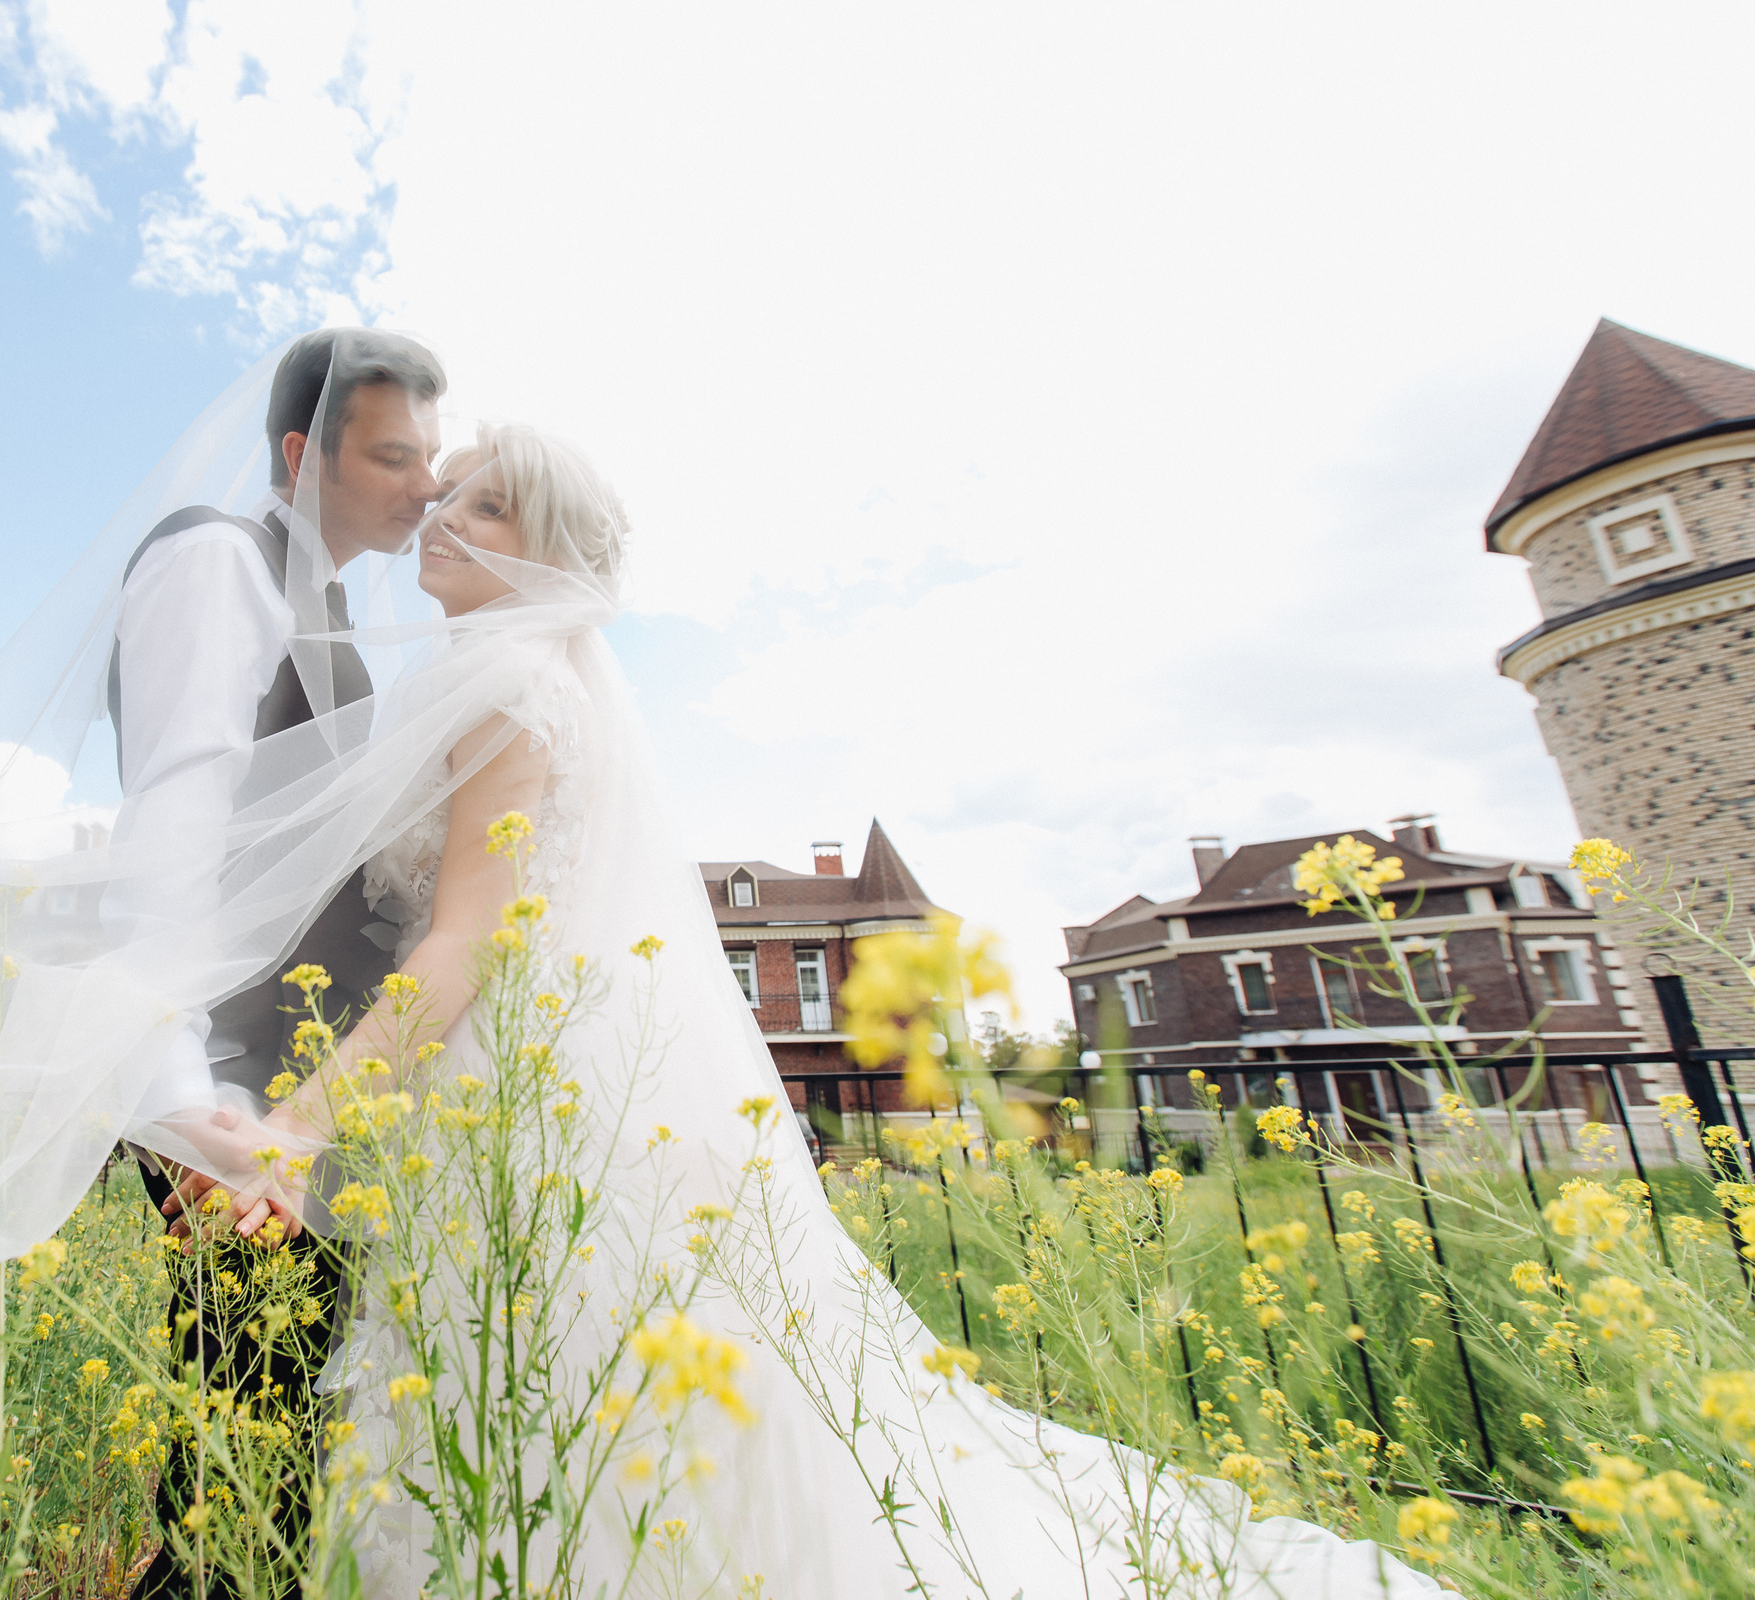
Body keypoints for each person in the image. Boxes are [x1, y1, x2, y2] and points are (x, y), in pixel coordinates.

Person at [253, 424, 1440, 1598]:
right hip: (575, 1069)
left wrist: (299, 1116)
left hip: (532, 1088)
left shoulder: (508, 679)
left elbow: (467, 934)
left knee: (550, 1385)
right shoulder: (526, 676)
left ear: (553, 553)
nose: (450, 514)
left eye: (492, 505)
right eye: (449, 490)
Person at [103, 326, 445, 1597]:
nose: (426, 486)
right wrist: (190, 1108)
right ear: (303, 454)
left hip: (298, 1095)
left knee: (274, 1471)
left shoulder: (326, 605)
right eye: (395, 455)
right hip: (232, 1096)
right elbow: (173, 826)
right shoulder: (218, 561)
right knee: (238, 1494)